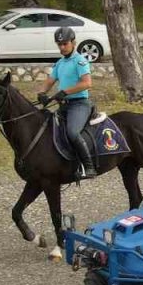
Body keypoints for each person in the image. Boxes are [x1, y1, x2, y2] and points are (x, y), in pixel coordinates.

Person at [38, 26, 96, 178]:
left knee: (72, 132)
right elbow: (50, 80)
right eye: (59, 45)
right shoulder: (59, 63)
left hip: (79, 104)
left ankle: (88, 167)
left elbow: (87, 83)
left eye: (65, 44)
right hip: (64, 105)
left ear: (73, 42)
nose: (62, 47)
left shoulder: (80, 61)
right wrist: (42, 93)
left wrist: (65, 92)